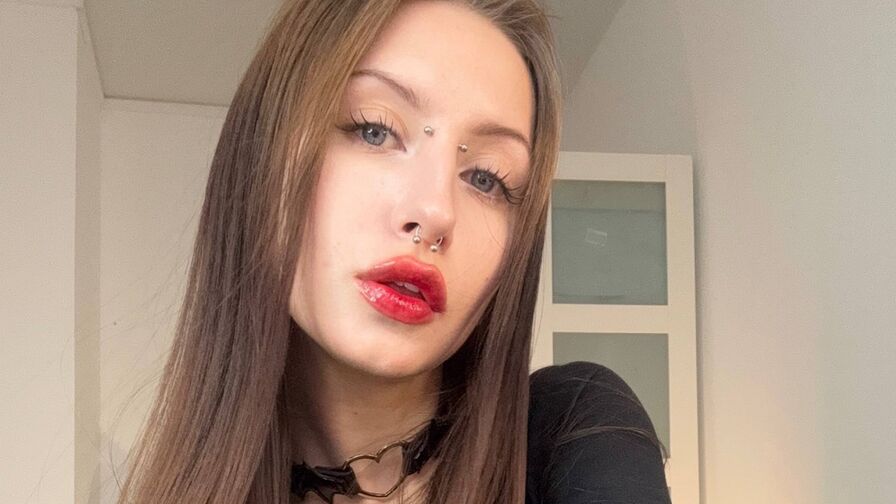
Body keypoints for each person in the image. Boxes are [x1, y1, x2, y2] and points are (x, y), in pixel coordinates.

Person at [115, 1, 671, 503]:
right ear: (265, 156)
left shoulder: (574, 437)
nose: (435, 211)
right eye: (375, 130)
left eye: (486, 177)